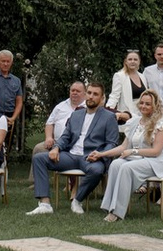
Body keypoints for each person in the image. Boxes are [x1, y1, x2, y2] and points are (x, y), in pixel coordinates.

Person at [26, 83, 121, 214]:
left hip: (91, 157)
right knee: (39, 159)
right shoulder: (76, 115)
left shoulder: (109, 117)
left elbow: (112, 143)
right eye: (89, 93)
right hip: (71, 156)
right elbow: (65, 137)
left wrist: (100, 154)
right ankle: (45, 204)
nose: (91, 96)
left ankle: (77, 200)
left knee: (97, 170)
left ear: (102, 98)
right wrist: (56, 148)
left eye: (95, 94)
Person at [98, 91, 163, 222]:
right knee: (115, 164)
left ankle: (117, 212)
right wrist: (101, 154)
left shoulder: (161, 124)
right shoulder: (134, 122)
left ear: (155, 106)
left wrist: (133, 151)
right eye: (141, 103)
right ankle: (109, 206)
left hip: (158, 162)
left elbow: (156, 151)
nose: (143, 106)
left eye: (148, 104)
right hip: (141, 160)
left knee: (127, 168)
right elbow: (123, 147)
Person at [36, 81, 86, 157]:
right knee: (38, 149)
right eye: (73, 90)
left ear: (85, 93)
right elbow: (49, 123)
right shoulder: (60, 106)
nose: (74, 93)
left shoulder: (88, 109)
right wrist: (49, 137)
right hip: (55, 143)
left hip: (77, 146)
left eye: (78, 91)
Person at [106, 50, 147, 123]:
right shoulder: (119, 76)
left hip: (142, 114)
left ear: (139, 62)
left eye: (135, 59)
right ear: (126, 62)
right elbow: (114, 96)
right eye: (130, 59)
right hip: (127, 115)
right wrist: (107, 111)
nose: (132, 61)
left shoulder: (142, 77)